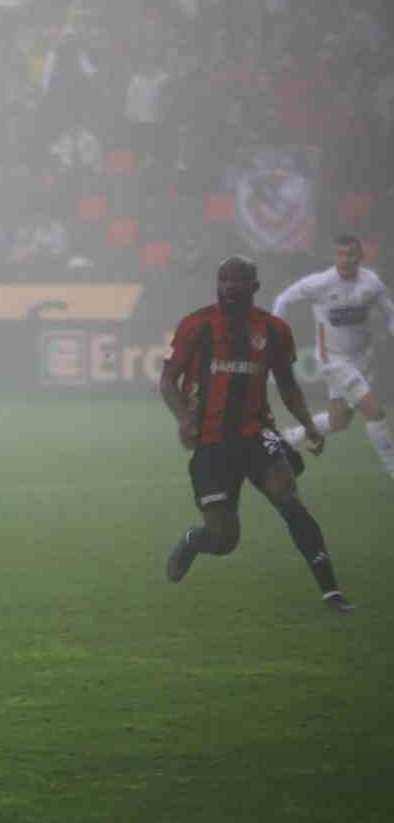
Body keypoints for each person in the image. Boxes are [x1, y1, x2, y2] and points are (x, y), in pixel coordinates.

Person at [160, 256, 355, 613]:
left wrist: (309, 425)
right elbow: (167, 380)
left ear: (255, 286)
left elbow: (287, 384)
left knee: (289, 498)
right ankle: (192, 541)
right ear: (217, 284)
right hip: (211, 442)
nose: (230, 286)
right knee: (224, 539)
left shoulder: (274, 330)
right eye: (224, 280)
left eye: (239, 280)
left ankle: (331, 591)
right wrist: (184, 417)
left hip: (255, 433)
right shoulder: (196, 325)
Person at [271, 234, 394, 479]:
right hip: (332, 360)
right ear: (333, 257)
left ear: (360, 256)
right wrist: (277, 334)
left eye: (351, 254)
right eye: (340, 254)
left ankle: (290, 437)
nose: (346, 259)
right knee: (374, 411)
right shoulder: (320, 283)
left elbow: (389, 312)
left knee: (339, 421)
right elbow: (283, 299)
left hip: (361, 358)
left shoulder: (371, 284)